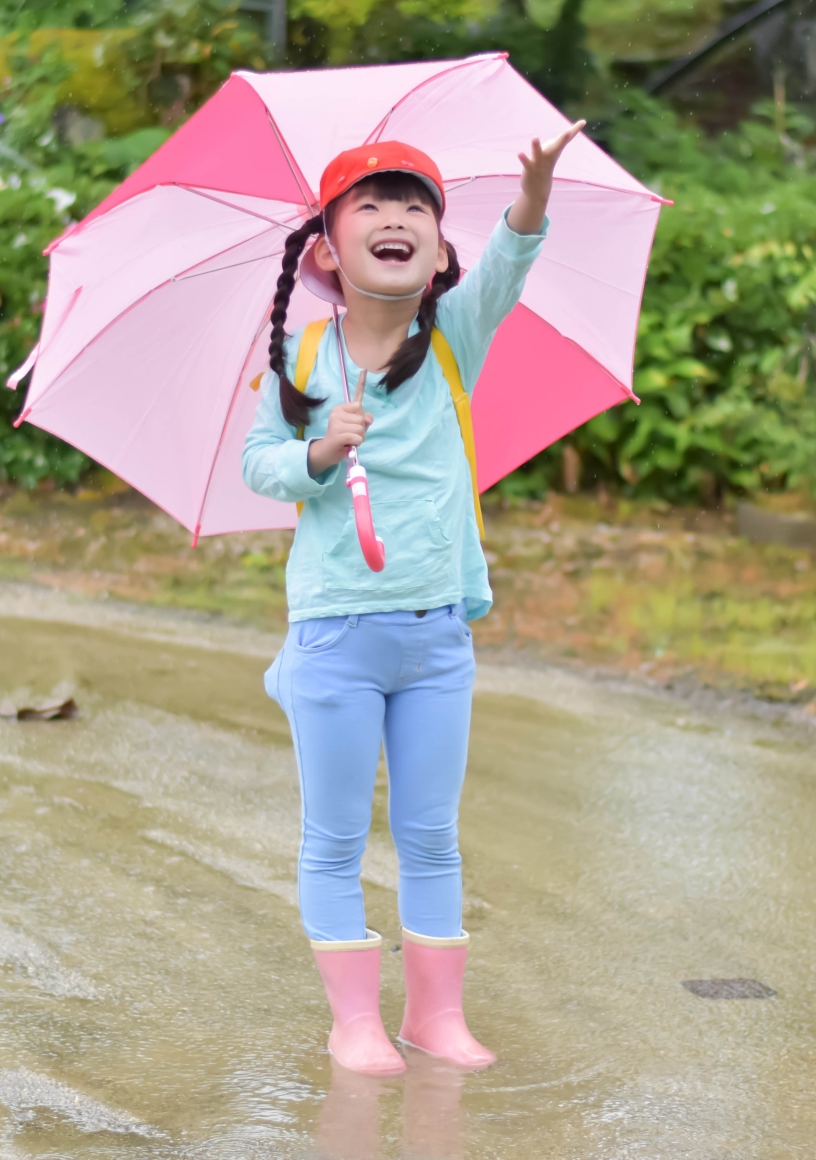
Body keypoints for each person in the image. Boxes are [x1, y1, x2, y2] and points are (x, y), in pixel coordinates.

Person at [243, 124, 582, 1076]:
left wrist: (535, 194)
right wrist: (318, 450)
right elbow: (257, 461)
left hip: (436, 638)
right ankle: (354, 1022)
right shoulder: (302, 357)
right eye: (372, 205)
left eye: (417, 208)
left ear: (439, 252)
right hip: (335, 635)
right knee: (338, 832)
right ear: (326, 247)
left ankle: (435, 1017)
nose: (396, 218)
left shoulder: (453, 340)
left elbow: (511, 261)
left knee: (432, 831)